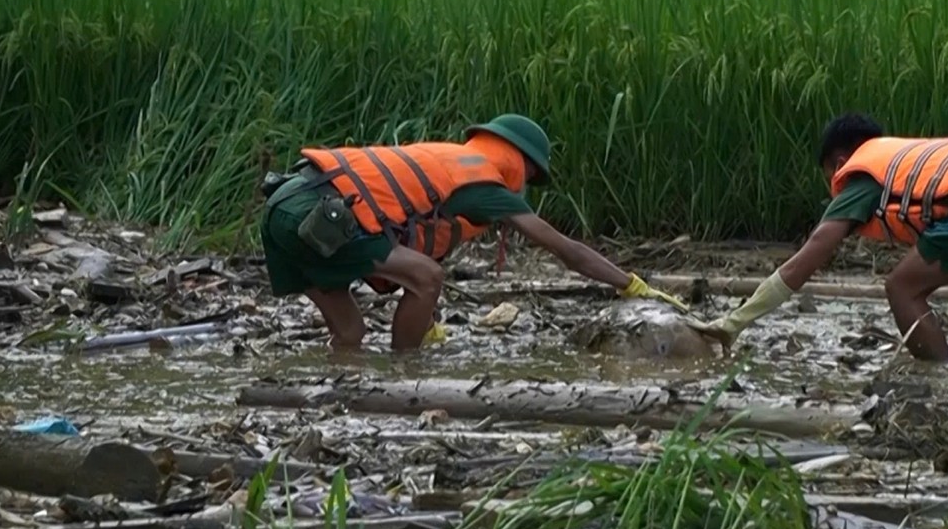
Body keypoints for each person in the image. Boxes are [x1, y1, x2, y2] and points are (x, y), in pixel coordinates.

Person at [259, 113, 687, 352]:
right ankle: (403, 373)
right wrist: (630, 285)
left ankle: (338, 399)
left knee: (350, 335)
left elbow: (396, 223)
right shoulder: (483, 183)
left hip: (283, 205)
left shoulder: (448, 158)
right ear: (521, 164)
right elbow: (566, 251)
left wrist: (425, 319)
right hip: (320, 213)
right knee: (429, 277)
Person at [692, 112, 948, 362]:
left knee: (901, 287)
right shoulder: (900, 157)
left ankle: (940, 379)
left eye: (829, 178)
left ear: (839, 164)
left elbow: (814, 250)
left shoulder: (863, 171)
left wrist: (735, 322)